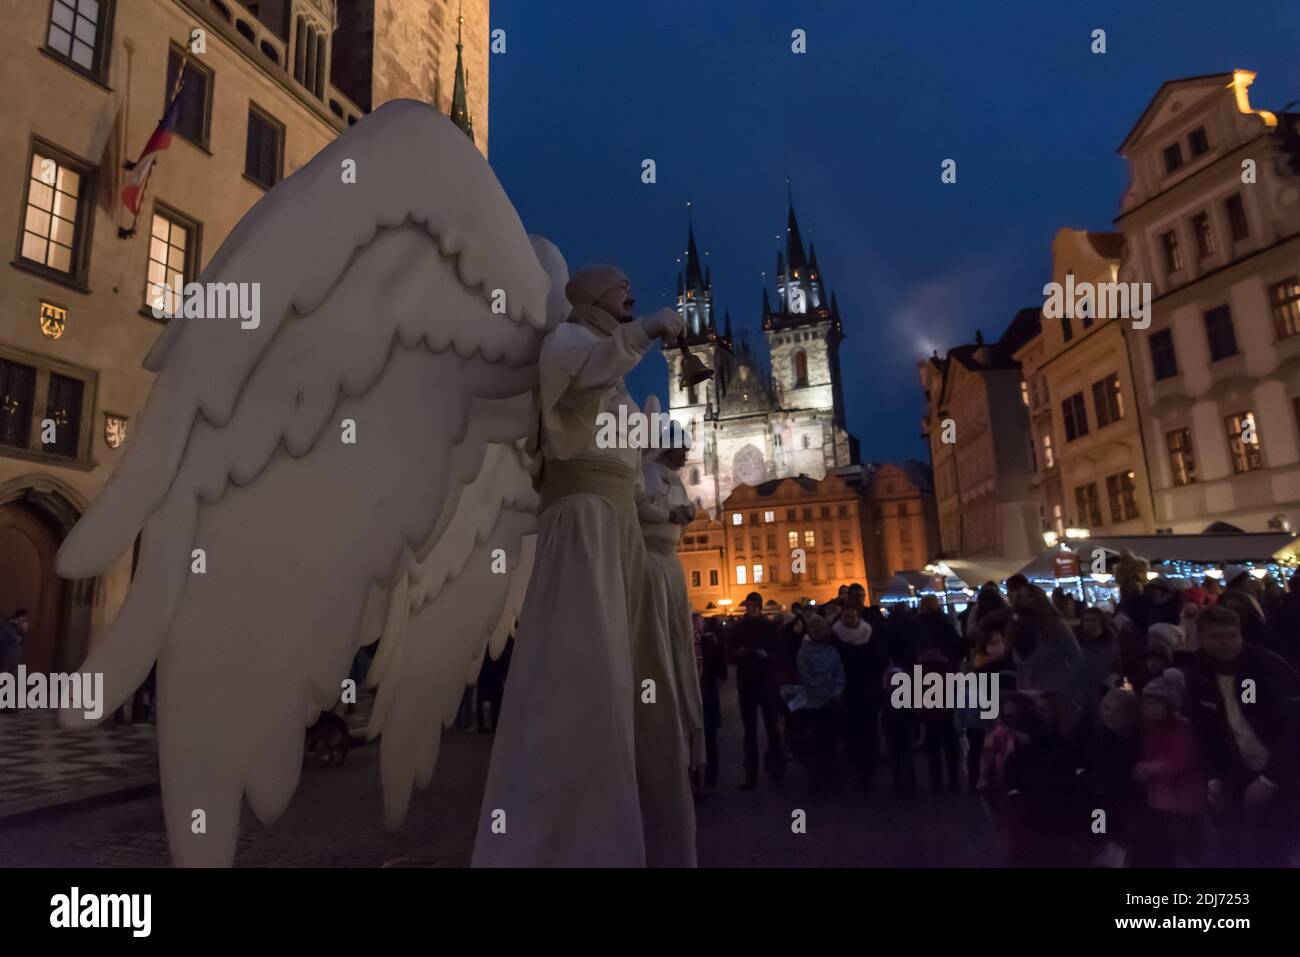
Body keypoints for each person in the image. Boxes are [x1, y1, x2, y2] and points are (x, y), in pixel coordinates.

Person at [473, 266, 694, 867]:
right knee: (589, 668)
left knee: (629, 672)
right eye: (624, 288)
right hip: (585, 519)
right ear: (596, 296)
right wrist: (644, 332)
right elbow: (588, 374)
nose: (632, 295)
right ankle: (579, 838)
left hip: (615, 518)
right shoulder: (570, 342)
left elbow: (629, 448)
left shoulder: (607, 359)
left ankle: (637, 828)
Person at [1187, 605, 1300, 867]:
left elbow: (1294, 726)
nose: (1227, 643)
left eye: (1232, 635)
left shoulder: (1268, 667)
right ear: (1201, 638)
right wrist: (1214, 775)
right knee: (1242, 845)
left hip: (1284, 772)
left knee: (1279, 844)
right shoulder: (1199, 676)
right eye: (1217, 637)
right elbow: (1205, 731)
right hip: (1237, 774)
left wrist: (1270, 779)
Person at [637, 421, 706, 776]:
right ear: (665, 446)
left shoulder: (674, 478)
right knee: (658, 637)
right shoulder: (649, 471)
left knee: (675, 636)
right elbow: (640, 507)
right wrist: (672, 515)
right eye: (682, 447)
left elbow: (682, 513)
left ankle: (683, 733)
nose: (688, 454)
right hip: (653, 562)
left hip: (670, 560)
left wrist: (686, 516)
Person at [1133, 669, 1206, 866]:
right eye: (1148, 704)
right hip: (1162, 799)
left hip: (1181, 801)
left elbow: (1181, 762)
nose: (1152, 709)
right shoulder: (1151, 729)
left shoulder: (1180, 729)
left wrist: (1147, 768)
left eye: (1158, 704)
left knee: (1180, 848)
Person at [726, 590, 786, 789]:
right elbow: (730, 655)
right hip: (747, 683)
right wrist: (739, 653)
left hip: (767, 682)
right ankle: (750, 776)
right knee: (749, 731)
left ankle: (777, 770)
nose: (750, 608)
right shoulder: (738, 627)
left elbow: (779, 653)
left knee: (772, 729)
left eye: (753, 606)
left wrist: (766, 654)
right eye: (748, 606)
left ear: (759, 608)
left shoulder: (769, 627)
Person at [1008, 584, 1086, 728]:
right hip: (1027, 692)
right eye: (1021, 597)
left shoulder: (1055, 624)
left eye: (1029, 596)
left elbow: (1076, 657)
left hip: (1054, 692)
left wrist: (1065, 683)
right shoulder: (1016, 626)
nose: (1025, 601)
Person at [833, 602, 887, 789]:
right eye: (845, 617)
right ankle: (857, 768)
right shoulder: (835, 634)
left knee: (870, 731)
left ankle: (869, 771)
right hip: (847, 690)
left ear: (858, 617)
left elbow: (879, 660)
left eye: (851, 617)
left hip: (867, 689)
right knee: (852, 731)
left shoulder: (868, 633)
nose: (848, 620)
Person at [1089, 688, 1142, 866]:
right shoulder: (1099, 740)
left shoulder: (1140, 742)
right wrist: (1098, 831)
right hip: (1107, 812)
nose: (1110, 715)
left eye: (1117, 710)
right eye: (1107, 708)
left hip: (1135, 814)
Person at [796, 614, 845, 789]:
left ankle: (829, 775)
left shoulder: (832, 650)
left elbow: (840, 671)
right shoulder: (805, 650)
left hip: (828, 700)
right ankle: (819, 776)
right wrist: (829, 692)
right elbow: (805, 676)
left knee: (829, 739)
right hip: (816, 701)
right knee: (817, 740)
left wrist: (836, 691)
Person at [698, 616, 728, 787]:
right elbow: (722, 671)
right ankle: (708, 776)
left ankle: (707, 776)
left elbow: (721, 670)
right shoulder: (711, 642)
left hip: (706, 693)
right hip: (708, 693)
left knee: (708, 737)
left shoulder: (708, 643)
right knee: (709, 737)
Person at [0, 608, 25, 688]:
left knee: (12, 678)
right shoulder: (5, 626)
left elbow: (22, 641)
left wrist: (23, 631)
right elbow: (1, 639)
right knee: (3, 677)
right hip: (6, 656)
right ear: (19, 617)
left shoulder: (19, 627)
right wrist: (14, 639)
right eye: (23, 617)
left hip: (16, 656)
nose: (24, 620)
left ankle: (7, 697)